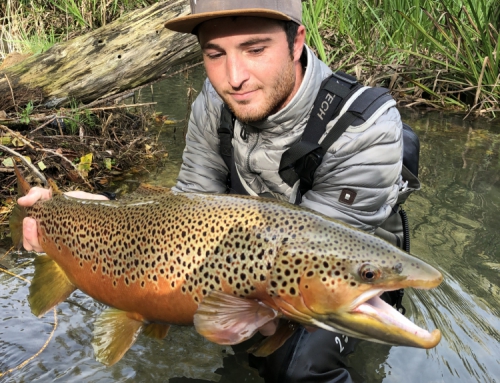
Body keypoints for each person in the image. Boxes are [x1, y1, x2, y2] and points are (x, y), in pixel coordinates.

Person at [19, 1, 405, 382]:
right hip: (255, 258)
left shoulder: (365, 127)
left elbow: (316, 264)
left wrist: (251, 313)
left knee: (296, 367)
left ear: (297, 41)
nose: (233, 77)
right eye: (214, 54)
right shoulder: (215, 99)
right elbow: (187, 208)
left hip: (351, 274)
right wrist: (104, 215)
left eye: (255, 49)